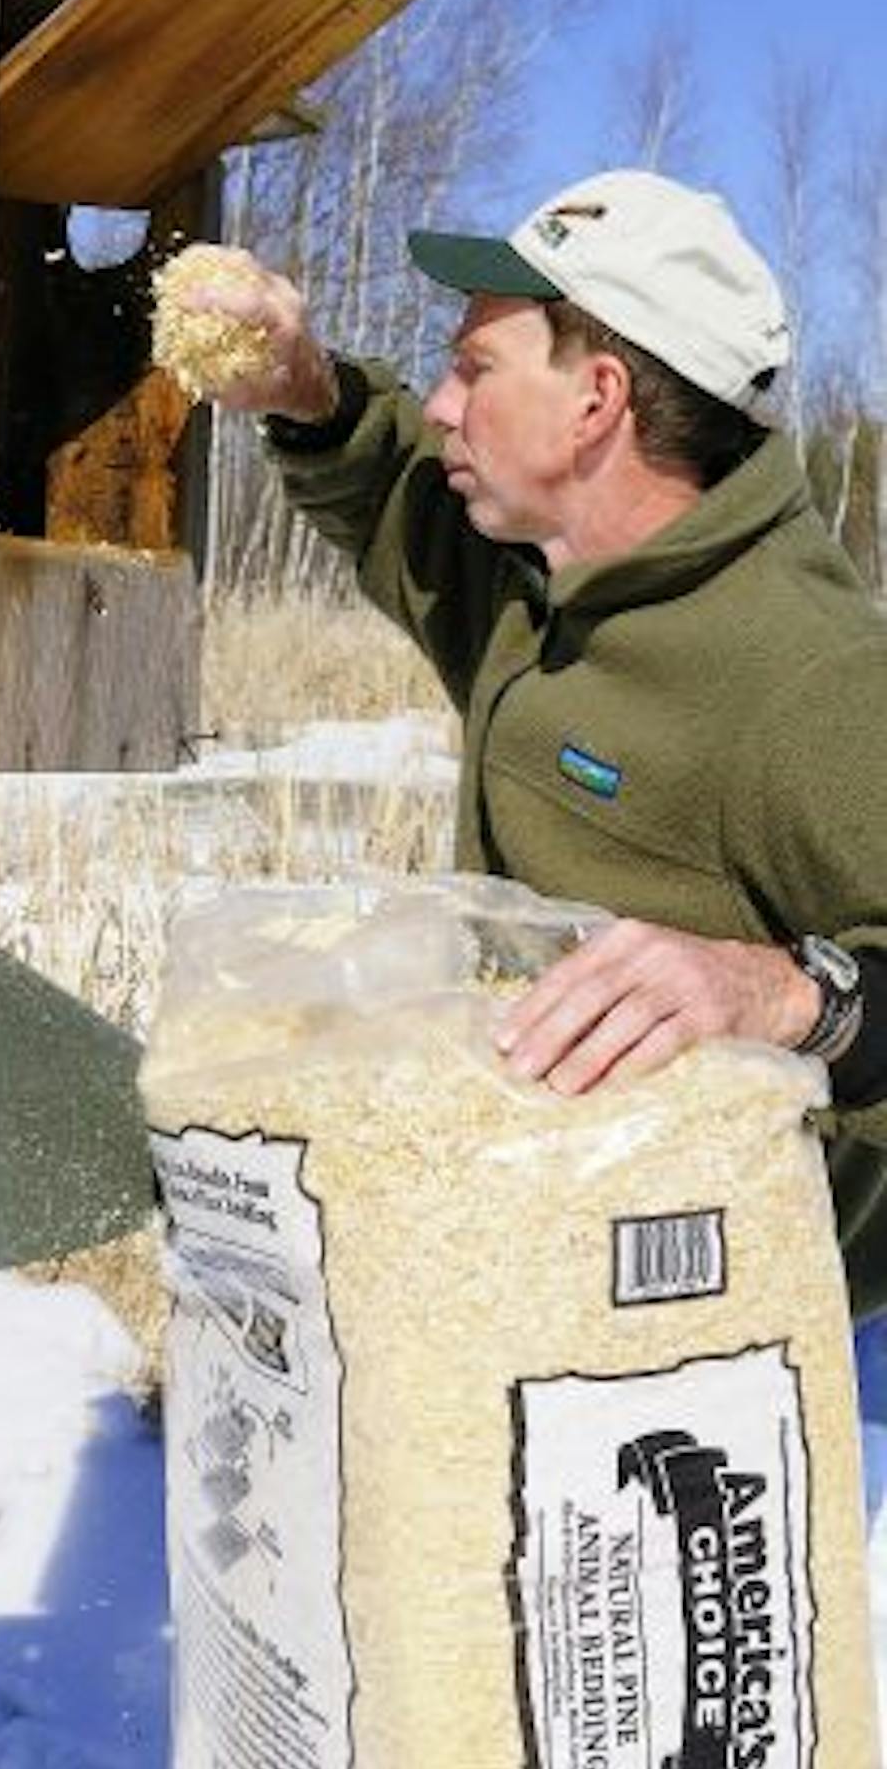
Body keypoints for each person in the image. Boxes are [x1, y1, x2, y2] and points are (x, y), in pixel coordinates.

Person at [175, 168, 887, 1318]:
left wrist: (788, 993)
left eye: (474, 369)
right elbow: (399, 495)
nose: (445, 403)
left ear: (596, 399)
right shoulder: (546, 595)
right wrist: (300, 389)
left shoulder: (810, 678)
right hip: (545, 1255)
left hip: (740, 1337)